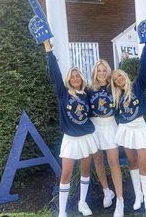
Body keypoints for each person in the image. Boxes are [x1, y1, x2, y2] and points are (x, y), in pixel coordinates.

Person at [43, 40, 98, 217]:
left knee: (85, 171)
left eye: (78, 76)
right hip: (70, 139)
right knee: (65, 173)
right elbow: (54, 72)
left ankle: (83, 203)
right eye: (72, 76)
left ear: (81, 78)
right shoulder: (63, 93)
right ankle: (63, 210)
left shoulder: (87, 94)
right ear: (68, 79)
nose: (75, 78)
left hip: (87, 137)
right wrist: (48, 48)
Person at [111, 43, 146, 217]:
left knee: (144, 165)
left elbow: (144, 66)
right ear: (114, 83)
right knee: (132, 162)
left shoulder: (138, 86)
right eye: (115, 79)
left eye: (120, 76)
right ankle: (138, 197)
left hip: (140, 128)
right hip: (125, 129)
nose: (119, 79)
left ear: (125, 76)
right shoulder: (116, 96)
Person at [86, 59, 124, 217]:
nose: (101, 73)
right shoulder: (89, 89)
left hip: (110, 125)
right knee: (98, 160)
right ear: (95, 72)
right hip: (95, 126)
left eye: (104, 70)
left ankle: (120, 200)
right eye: (98, 70)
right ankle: (107, 191)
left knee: (114, 162)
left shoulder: (113, 86)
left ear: (108, 71)